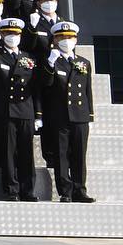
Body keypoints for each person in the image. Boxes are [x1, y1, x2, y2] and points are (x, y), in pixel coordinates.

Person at [0, 17, 39, 202]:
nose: (12, 37)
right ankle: (11, 189)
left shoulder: (29, 58)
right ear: (2, 35)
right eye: (8, 34)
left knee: (27, 153)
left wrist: (38, 114)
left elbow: (36, 88)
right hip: (6, 111)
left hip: (25, 110)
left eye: (15, 34)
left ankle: (28, 190)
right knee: (8, 153)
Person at [41, 22, 95, 203]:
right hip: (60, 116)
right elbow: (45, 84)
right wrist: (50, 62)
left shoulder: (83, 62)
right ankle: (66, 191)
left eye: (70, 37)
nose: (66, 41)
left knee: (79, 154)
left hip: (79, 115)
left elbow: (88, 91)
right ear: (55, 40)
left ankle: (80, 189)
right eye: (62, 37)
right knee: (61, 155)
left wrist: (90, 116)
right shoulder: (51, 61)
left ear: (76, 40)